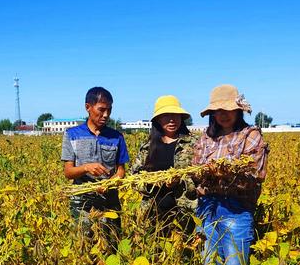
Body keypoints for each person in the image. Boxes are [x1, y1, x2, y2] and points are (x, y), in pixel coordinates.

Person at [192, 84, 269, 265]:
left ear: (237, 110)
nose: (223, 115)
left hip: (235, 209)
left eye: (228, 110)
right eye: (218, 110)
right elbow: (195, 171)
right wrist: (208, 172)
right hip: (207, 208)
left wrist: (220, 172)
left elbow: (254, 175)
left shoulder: (250, 136)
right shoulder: (207, 137)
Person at [61, 87, 129, 249]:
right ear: (88, 107)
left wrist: (110, 183)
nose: (106, 115)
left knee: (111, 246)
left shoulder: (116, 137)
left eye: (109, 110)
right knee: (85, 250)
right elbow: (68, 172)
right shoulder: (72, 135)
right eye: (101, 110)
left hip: (109, 201)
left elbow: (121, 171)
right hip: (82, 203)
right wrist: (85, 168)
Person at [131, 95, 198, 236]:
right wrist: (152, 183)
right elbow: (133, 179)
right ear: (158, 120)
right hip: (151, 213)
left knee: (185, 253)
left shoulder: (194, 144)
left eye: (175, 115)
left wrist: (180, 181)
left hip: (185, 214)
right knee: (154, 252)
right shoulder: (147, 147)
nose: (172, 120)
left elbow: (201, 177)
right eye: (166, 116)